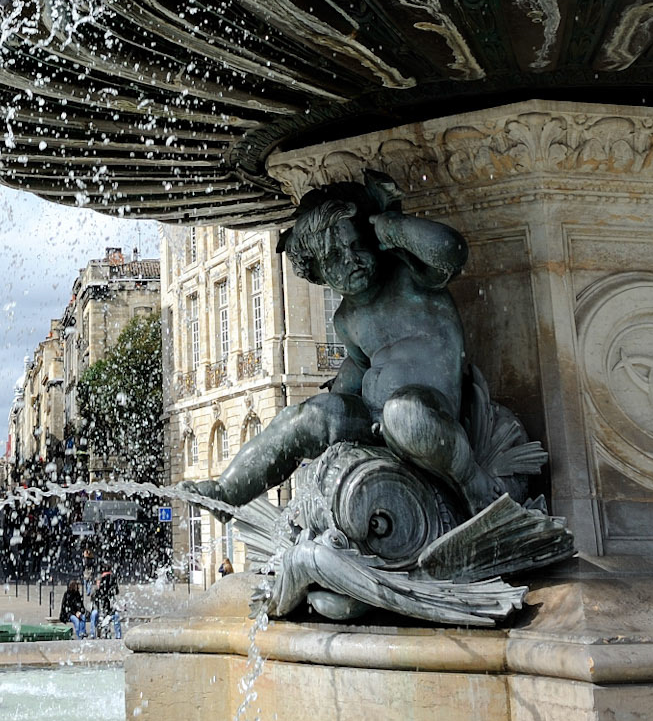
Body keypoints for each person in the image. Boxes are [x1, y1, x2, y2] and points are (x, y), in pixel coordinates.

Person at [182, 171, 505, 520]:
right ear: (318, 272)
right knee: (302, 419)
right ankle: (227, 493)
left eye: (356, 246)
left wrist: (393, 227)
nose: (350, 261)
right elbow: (355, 376)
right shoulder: (346, 320)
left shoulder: (408, 275)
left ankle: (477, 487)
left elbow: (452, 252)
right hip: (377, 421)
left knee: (402, 414)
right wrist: (321, 412)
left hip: (429, 419)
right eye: (334, 258)